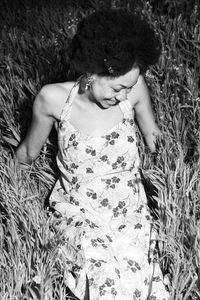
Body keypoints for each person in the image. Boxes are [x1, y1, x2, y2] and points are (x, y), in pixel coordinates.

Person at [16, 8, 169, 300]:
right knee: (103, 281)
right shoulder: (54, 99)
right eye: (117, 88)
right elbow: (26, 153)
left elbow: (154, 138)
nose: (124, 95)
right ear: (92, 70)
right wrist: (13, 197)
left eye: (130, 87)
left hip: (129, 209)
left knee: (147, 286)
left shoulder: (133, 91)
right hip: (80, 210)